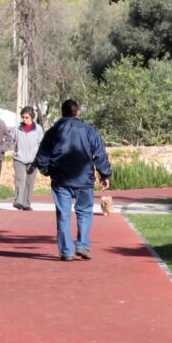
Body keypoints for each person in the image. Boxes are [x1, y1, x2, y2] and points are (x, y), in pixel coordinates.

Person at [34, 99, 112, 261]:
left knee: (63, 215)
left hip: (61, 179)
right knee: (84, 212)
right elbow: (99, 153)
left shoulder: (54, 131)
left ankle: (67, 251)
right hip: (84, 179)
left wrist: (47, 170)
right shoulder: (89, 130)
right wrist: (104, 174)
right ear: (77, 112)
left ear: (62, 112)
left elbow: (42, 155)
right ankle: (82, 245)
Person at [11, 106, 44, 210]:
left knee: (30, 182)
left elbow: (42, 144)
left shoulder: (38, 129)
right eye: (23, 117)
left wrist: (40, 158)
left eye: (26, 117)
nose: (24, 120)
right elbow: (10, 139)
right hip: (19, 158)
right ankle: (18, 201)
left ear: (32, 117)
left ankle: (26, 203)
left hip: (33, 160)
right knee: (19, 179)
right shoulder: (17, 127)